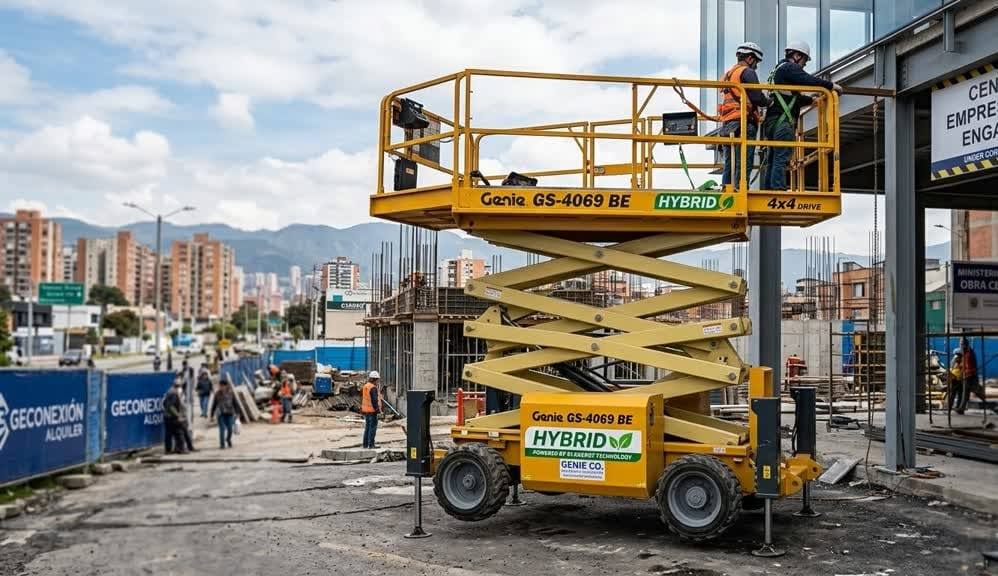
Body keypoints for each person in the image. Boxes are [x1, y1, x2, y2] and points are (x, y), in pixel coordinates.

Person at [760, 41, 842, 192]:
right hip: (782, 122)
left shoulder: (778, 71)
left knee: (773, 158)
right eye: (804, 61)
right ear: (797, 56)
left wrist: (811, 100)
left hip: (772, 122)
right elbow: (807, 79)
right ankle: (777, 190)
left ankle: (770, 189)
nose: (804, 65)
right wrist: (829, 86)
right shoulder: (789, 68)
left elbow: (791, 97)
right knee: (781, 158)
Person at [717, 41, 767, 188]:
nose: (756, 66)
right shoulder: (747, 72)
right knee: (744, 160)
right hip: (743, 123)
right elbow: (757, 98)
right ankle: (740, 190)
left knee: (730, 161)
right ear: (750, 59)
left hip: (727, 124)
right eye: (756, 62)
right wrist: (769, 102)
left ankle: (727, 190)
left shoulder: (728, 75)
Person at [162, 378, 188, 454]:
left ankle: (168, 450)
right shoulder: (174, 393)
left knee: (168, 434)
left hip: (167, 416)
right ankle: (180, 449)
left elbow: (165, 403)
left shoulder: (169, 391)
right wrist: (178, 415)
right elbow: (171, 406)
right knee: (179, 432)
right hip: (172, 416)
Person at [212, 375, 237, 449]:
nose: (221, 387)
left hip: (229, 413)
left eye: (223, 386)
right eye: (220, 386)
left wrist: (237, 413)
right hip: (220, 414)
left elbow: (235, 403)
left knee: (230, 429)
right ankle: (222, 444)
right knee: (222, 429)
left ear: (226, 386)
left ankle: (228, 439)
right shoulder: (217, 394)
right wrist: (212, 414)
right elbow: (214, 404)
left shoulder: (231, 393)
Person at [361, 371, 382, 449]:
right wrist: (378, 411)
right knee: (372, 428)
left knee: (367, 428)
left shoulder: (366, 386)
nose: (378, 381)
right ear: (374, 379)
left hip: (366, 411)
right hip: (372, 411)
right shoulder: (372, 388)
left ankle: (365, 444)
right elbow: (374, 400)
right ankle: (371, 445)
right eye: (377, 380)